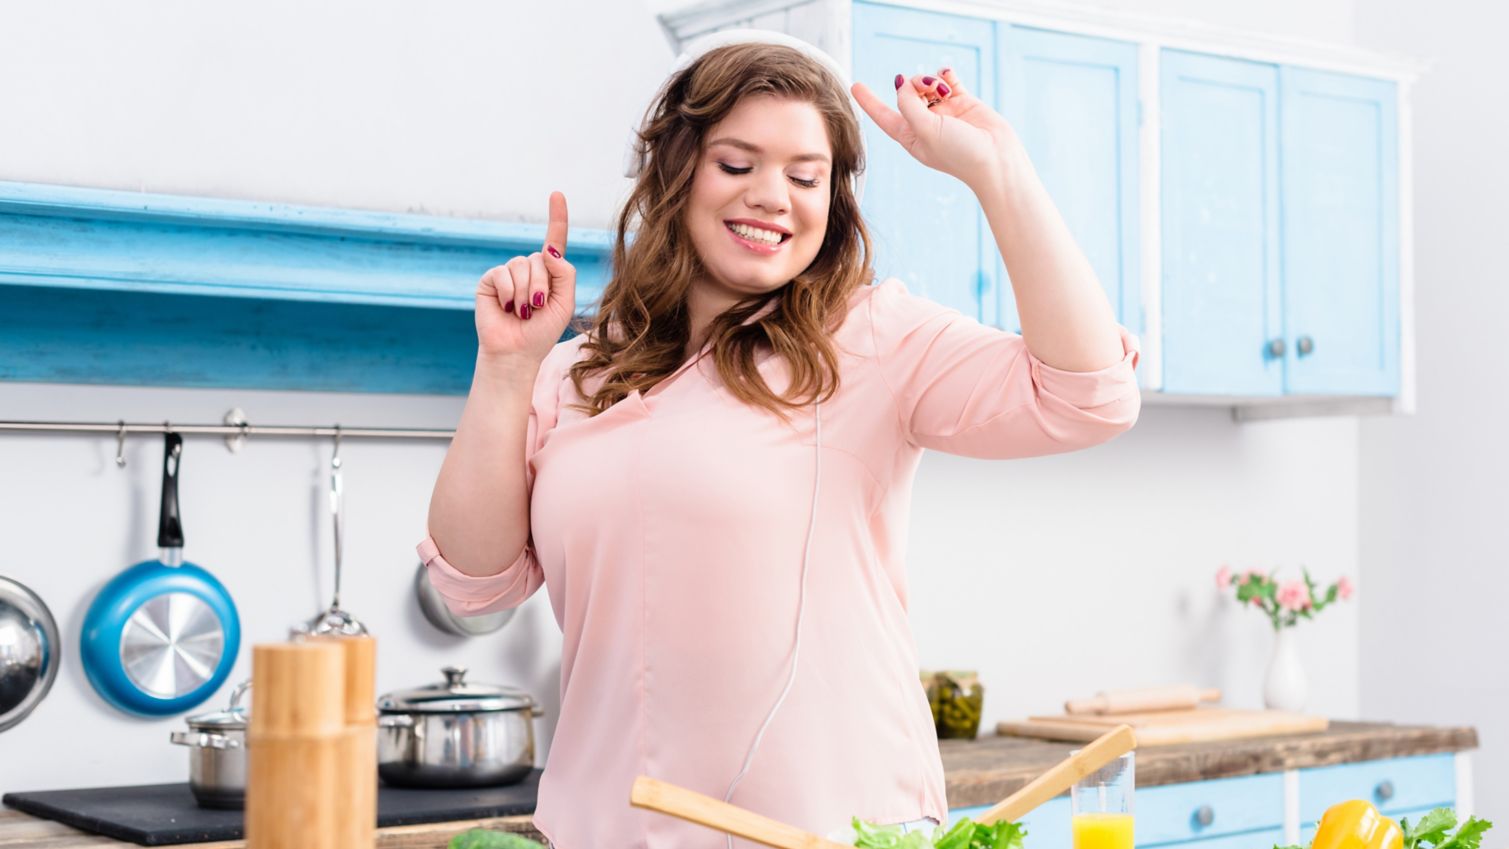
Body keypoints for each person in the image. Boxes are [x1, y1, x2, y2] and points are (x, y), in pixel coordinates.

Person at [420, 29, 1141, 849]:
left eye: (807, 176)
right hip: (607, 830)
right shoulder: (576, 370)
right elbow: (473, 581)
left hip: (831, 829)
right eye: (736, 165)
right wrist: (507, 369)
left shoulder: (871, 338)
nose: (772, 195)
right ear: (676, 173)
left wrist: (997, 172)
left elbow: (1089, 398)